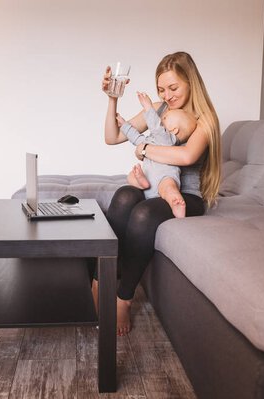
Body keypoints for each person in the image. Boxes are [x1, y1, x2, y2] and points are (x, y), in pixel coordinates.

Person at [94, 51, 221, 336]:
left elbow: (187, 156)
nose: (167, 95)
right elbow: (112, 137)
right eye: (162, 89)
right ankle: (101, 279)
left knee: (143, 213)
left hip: (185, 194)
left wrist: (145, 148)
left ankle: (124, 297)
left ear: (191, 83)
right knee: (125, 196)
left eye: (173, 88)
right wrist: (112, 98)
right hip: (154, 186)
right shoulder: (159, 109)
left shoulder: (205, 118)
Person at [118, 90, 197, 218]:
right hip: (149, 179)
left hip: (165, 178)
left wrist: (148, 106)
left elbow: (156, 126)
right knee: (131, 176)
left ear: (174, 130)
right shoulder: (153, 140)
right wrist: (124, 125)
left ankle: (176, 203)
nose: (161, 119)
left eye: (165, 118)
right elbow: (136, 139)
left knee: (169, 189)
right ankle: (142, 182)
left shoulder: (168, 139)